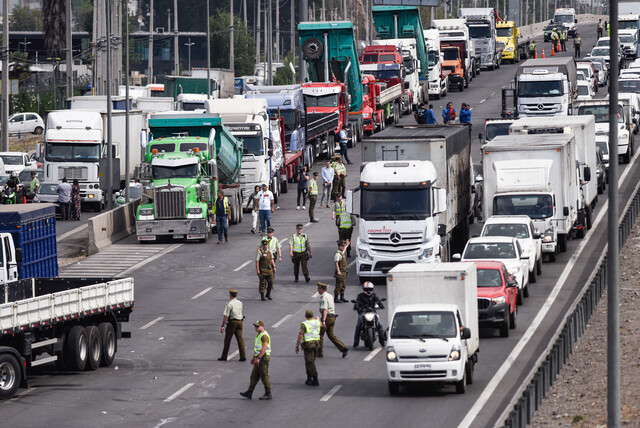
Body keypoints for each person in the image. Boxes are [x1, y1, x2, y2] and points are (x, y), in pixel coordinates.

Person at [239, 320, 272, 400]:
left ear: (262, 326)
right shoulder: (259, 335)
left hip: (263, 358)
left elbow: (264, 348)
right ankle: (249, 392)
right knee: (254, 376)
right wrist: (254, 357)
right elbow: (258, 348)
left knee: (264, 376)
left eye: (257, 326)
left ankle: (268, 393)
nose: (256, 328)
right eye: (255, 326)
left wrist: (258, 358)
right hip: (259, 357)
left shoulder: (264, 335)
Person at [316, 282, 348, 358]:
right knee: (331, 335)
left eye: (318, 289)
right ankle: (343, 348)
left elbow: (325, 310)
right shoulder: (330, 295)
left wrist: (323, 321)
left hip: (327, 318)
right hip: (332, 317)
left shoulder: (324, 297)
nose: (317, 290)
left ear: (322, 289)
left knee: (320, 335)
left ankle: (319, 352)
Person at [353, 282, 385, 348]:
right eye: (367, 289)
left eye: (370, 289)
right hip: (363, 312)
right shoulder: (360, 296)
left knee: (380, 325)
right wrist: (356, 306)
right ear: (364, 289)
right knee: (358, 326)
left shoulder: (374, 295)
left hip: (373, 312)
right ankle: (356, 343)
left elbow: (378, 301)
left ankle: (382, 342)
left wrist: (381, 305)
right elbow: (357, 302)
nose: (368, 290)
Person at [218, 288, 246, 361]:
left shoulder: (229, 304)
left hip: (232, 323)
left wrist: (222, 325)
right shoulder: (240, 303)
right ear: (236, 295)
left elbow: (226, 316)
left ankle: (224, 356)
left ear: (230, 295)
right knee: (240, 339)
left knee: (227, 340)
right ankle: (243, 356)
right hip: (240, 322)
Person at [295, 309, 321, 386]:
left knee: (310, 362)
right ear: (312, 316)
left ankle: (315, 378)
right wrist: (319, 320)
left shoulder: (304, 324)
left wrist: (297, 345)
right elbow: (322, 326)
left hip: (309, 344)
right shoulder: (317, 322)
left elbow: (300, 335)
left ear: (305, 316)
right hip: (316, 343)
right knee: (309, 360)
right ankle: (309, 378)